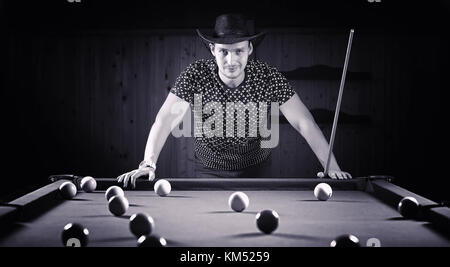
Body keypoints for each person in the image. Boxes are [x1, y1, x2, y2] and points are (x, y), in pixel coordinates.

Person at [117, 14, 352, 188]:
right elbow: (165, 120)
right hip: (208, 170)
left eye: (238, 51)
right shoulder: (195, 74)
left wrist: (330, 165)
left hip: (257, 169)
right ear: (212, 49)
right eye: (224, 52)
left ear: (249, 49)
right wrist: (147, 163)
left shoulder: (268, 76)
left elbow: (304, 122)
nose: (231, 60)